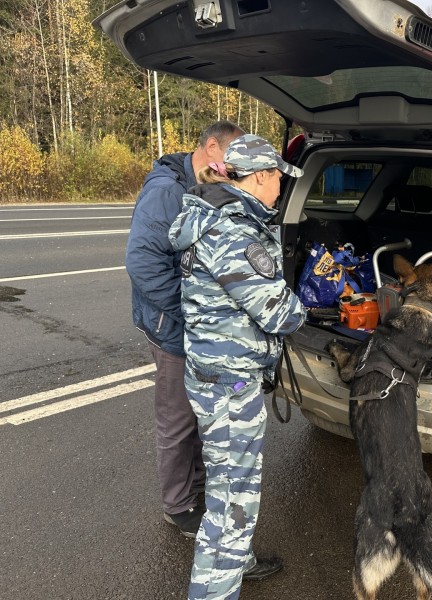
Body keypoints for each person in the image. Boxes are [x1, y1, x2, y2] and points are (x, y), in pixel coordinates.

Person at [168, 134, 307, 598]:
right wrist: (314, 303)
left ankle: (238, 560)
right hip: (229, 385)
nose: (279, 192)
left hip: (213, 372)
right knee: (230, 502)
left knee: (231, 486)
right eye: (277, 182)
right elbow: (279, 313)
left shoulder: (209, 215)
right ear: (262, 176)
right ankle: (212, 590)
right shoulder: (234, 232)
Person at [126, 120, 245, 537]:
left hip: (196, 328)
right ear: (211, 147)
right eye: (231, 160)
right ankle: (177, 506)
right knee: (177, 421)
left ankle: (194, 489)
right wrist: (194, 311)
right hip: (174, 329)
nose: (233, 171)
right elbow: (143, 265)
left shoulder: (203, 186)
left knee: (197, 416)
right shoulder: (166, 191)